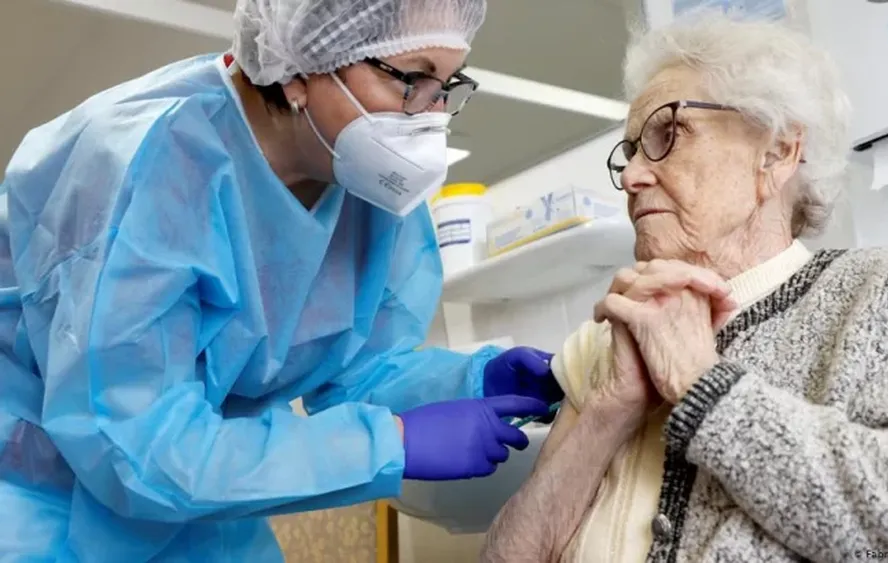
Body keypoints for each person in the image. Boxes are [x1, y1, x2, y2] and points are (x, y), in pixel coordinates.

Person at [0, 0, 563, 560]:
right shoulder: (145, 164)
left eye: (447, 84)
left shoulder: (369, 184)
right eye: (412, 78)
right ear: (298, 70)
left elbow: (358, 369)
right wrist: (391, 444)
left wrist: (471, 378)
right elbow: (132, 441)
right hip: (46, 491)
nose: (431, 114)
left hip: (199, 491)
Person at [482, 14, 888, 563]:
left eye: (668, 133)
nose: (633, 176)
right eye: (630, 151)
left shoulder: (879, 291)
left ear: (776, 153)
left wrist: (707, 389)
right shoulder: (602, 339)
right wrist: (611, 410)